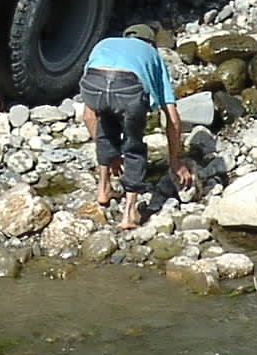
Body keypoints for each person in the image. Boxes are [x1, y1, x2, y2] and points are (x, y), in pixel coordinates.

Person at [80, 25, 193, 229]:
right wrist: (175, 161)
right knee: (134, 145)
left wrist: (110, 152)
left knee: (105, 125)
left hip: (93, 84)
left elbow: (88, 116)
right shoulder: (152, 55)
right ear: (151, 43)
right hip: (128, 87)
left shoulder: (105, 45)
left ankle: (103, 189)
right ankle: (129, 214)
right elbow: (173, 118)